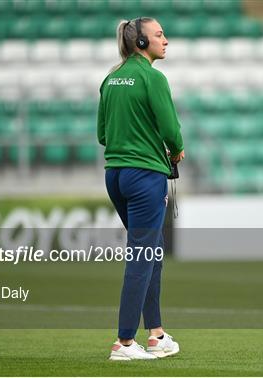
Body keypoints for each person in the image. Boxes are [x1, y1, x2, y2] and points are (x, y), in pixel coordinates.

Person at [96, 17, 185, 361]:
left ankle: (157, 334)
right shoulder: (153, 77)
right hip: (145, 176)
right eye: (160, 34)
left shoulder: (111, 79)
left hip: (115, 175)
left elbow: (103, 135)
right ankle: (124, 342)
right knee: (143, 256)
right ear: (142, 43)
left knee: (153, 253)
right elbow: (171, 130)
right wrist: (175, 149)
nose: (166, 39)